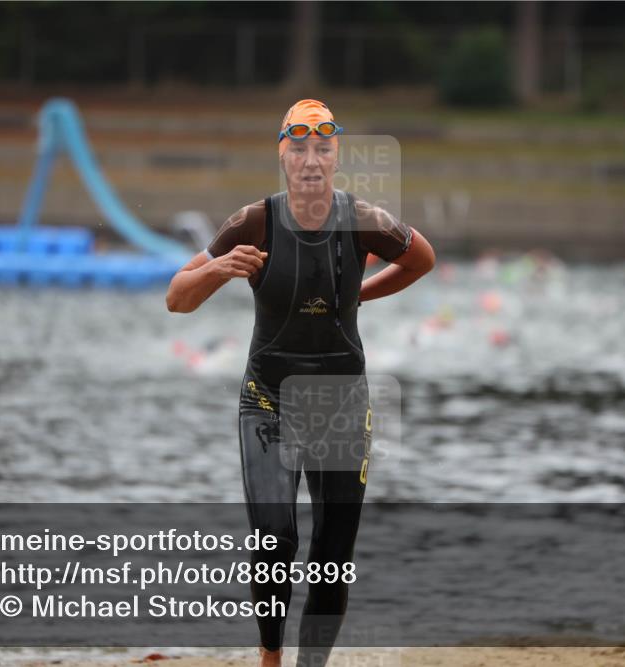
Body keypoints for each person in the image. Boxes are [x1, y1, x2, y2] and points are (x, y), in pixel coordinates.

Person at [166, 99, 435, 667]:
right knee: (275, 540)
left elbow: (421, 260)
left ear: (336, 156)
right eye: (299, 147)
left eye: (323, 147)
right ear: (282, 153)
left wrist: (360, 293)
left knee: (332, 553)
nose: (311, 160)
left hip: (342, 404)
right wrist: (218, 268)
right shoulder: (252, 222)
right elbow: (176, 299)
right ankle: (270, 657)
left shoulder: (365, 219)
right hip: (267, 402)